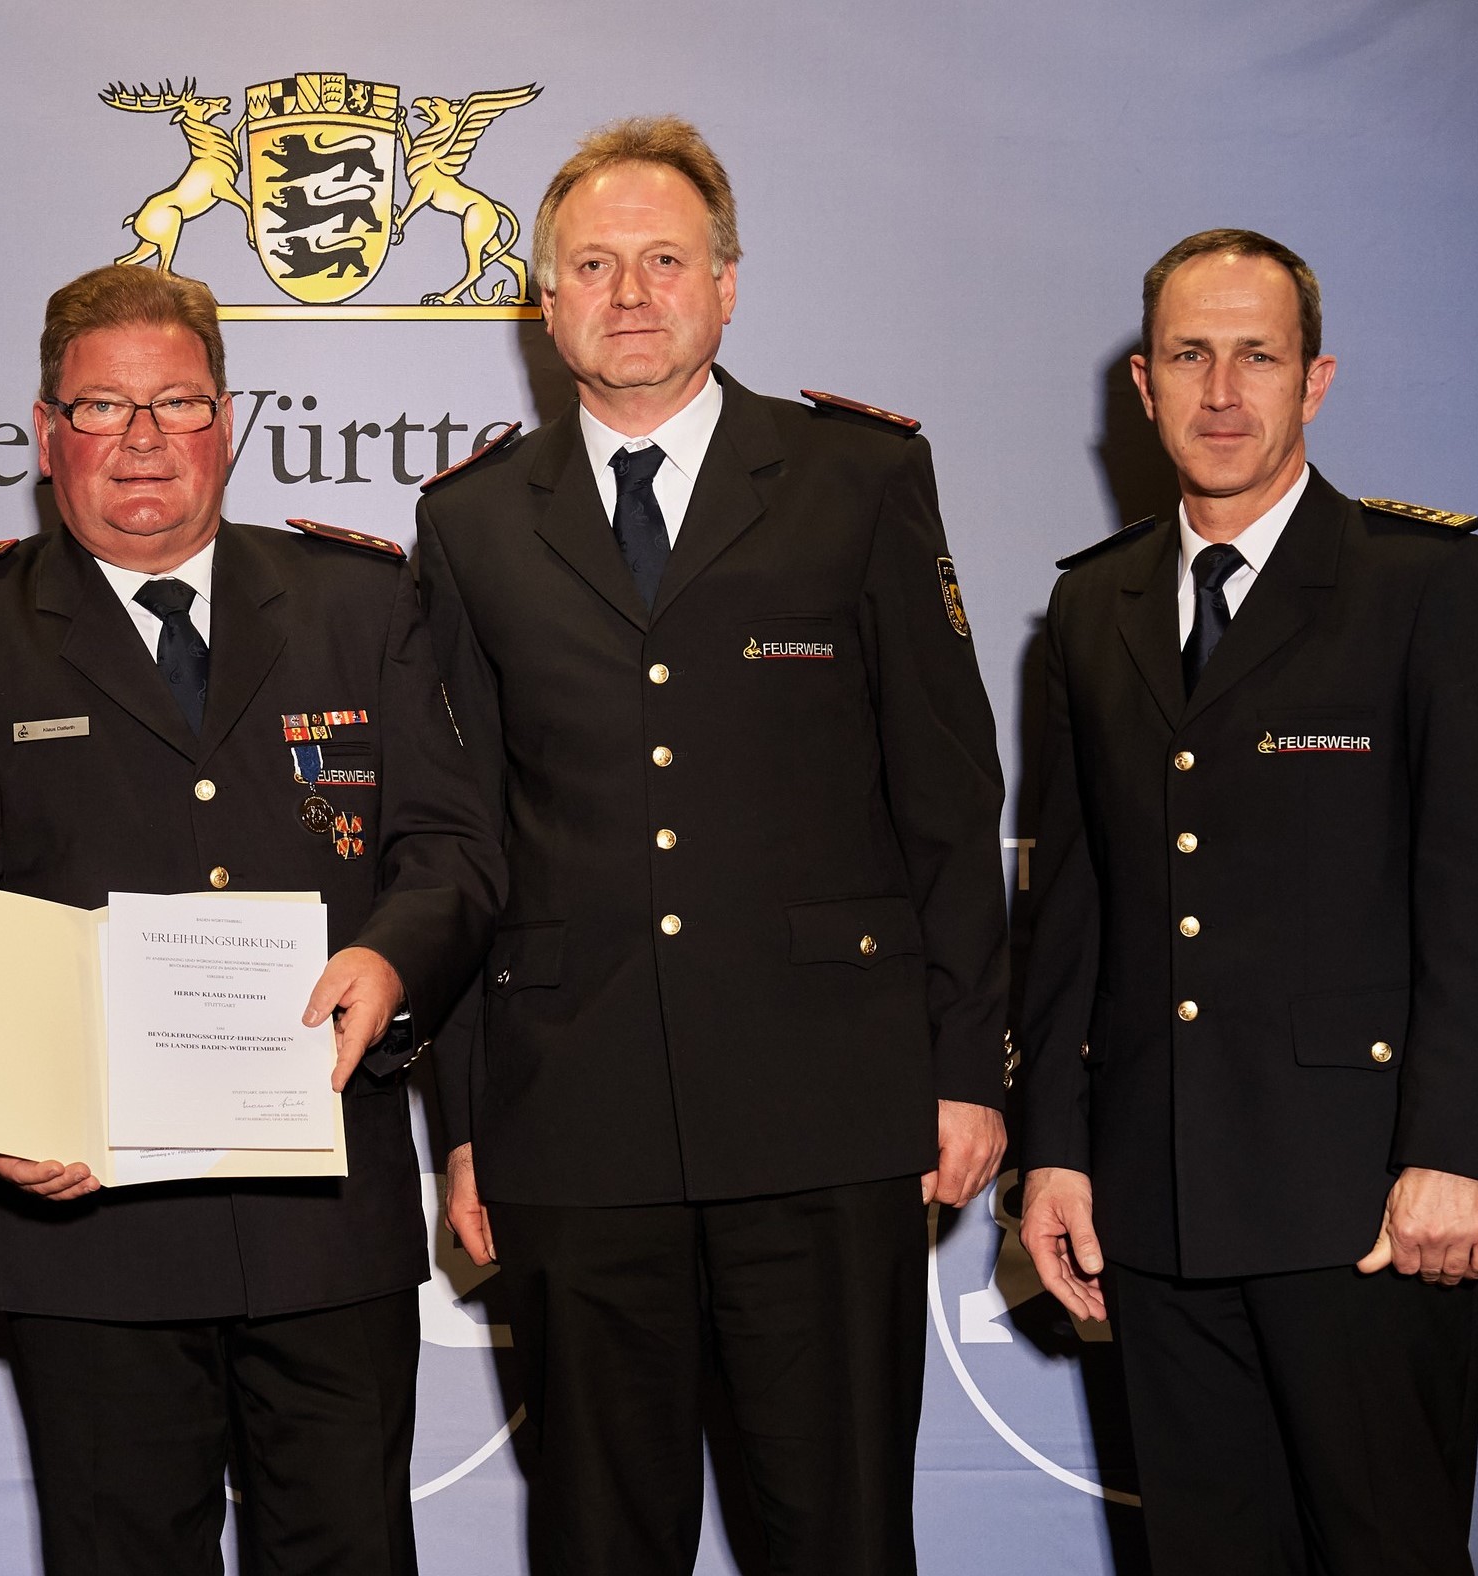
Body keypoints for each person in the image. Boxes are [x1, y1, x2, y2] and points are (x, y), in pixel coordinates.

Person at [414, 118, 1011, 1573]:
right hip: (573, 1116)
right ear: (540, 301)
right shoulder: (472, 521)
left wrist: (960, 1067)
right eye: (594, 264)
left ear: (727, 284)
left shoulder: (856, 479)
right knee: (601, 1541)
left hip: (824, 1106)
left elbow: (946, 792)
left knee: (839, 1533)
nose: (630, 291)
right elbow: (459, 842)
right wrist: (471, 1121)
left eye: (665, 258)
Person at [0, 263, 503, 1576]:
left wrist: (390, 958)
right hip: (89, 1236)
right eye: (101, 409)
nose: (142, 440)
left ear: (230, 422)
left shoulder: (359, 603)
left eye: (175, 403)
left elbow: (448, 850)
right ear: (46, 437)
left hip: (322, 1219)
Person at [1013, 229, 1478, 1573]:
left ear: (1314, 382)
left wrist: (1456, 1152)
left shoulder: (1421, 586)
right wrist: (1056, 1150)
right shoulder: (1091, 607)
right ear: (1140, 385)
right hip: (1156, 1199)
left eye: (1258, 355)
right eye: (1189, 355)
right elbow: (1070, 910)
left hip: (1360, 1201)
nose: (1221, 392)